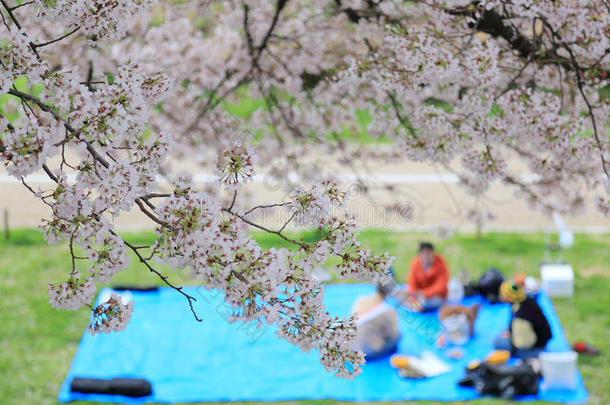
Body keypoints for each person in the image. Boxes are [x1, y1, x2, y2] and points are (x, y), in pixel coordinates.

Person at [493, 278, 552, 358]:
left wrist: (512, 337)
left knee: (498, 342)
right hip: (539, 336)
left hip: (536, 348)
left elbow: (523, 344)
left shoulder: (520, 319)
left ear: (507, 298)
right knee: (503, 333)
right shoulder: (525, 300)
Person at [352, 282, 401, 360]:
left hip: (351, 348)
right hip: (367, 353)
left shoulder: (361, 301)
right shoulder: (387, 311)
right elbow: (393, 335)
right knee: (398, 336)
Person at [406, 242, 449, 312]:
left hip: (435, 296)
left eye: (428, 253)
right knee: (403, 296)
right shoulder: (415, 263)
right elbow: (411, 283)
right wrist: (414, 295)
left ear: (433, 254)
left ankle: (418, 306)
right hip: (419, 295)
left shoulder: (440, 264)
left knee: (433, 301)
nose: (426, 256)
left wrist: (423, 294)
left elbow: (441, 286)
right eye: (423, 253)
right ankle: (416, 306)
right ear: (419, 255)